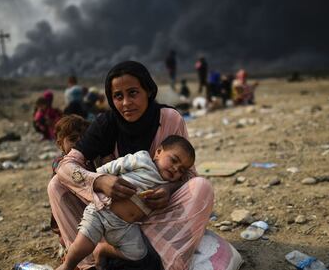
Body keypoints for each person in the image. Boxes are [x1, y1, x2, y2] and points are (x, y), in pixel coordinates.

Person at [48, 61, 241, 270]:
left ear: (148, 91)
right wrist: (99, 181)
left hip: (157, 214)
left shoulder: (169, 119)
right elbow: (66, 164)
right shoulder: (106, 124)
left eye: (133, 93)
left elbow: (189, 175)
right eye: (118, 96)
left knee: (202, 187)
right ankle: (90, 264)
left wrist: (168, 188)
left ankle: (155, 257)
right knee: (57, 185)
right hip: (110, 212)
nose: (126, 103)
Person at [57, 135, 195, 270]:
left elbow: (189, 181)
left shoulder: (168, 186)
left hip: (126, 226)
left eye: (182, 169)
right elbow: (113, 167)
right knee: (83, 246)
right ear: (158, 152)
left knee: (138, 254)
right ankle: (67, 265)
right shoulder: (142, 159)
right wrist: (101, 178)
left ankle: (103, 249)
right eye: (174, 160)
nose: (176, 168)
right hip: (102, 211)